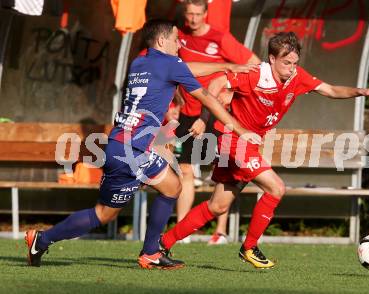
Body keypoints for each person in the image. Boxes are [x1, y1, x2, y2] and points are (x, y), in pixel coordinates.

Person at [24, 19, 261, 270]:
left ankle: (48, 239)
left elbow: (185, 68)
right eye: (175, 39)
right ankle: (144, 252)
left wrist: (225, 65)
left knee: (138, 200)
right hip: (132, 150)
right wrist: (240, 129)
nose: (180, 43)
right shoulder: (171, 64)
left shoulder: (140, 62)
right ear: (162, 41)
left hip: (121, 146)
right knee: (139, 200)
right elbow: (209, 99)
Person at [159, 31, 369, 269]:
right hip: (232, 140)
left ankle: (162, 244)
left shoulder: (297, 77)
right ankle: (249, 248)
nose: (291, 68)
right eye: (286, 63)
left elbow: (329, 90)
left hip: (245, 144)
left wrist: (360, 92)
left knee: (218, 206)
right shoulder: (255, 74)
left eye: (295, 63)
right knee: (276, 188)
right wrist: (204, 118)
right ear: (272, 59)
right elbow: (215, 83)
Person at [175, 0, 261, 245]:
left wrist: (231, 92)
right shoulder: (178, 37)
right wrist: (174, 98)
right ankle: (183, 228)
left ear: (205, 14)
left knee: (221, 172)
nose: (192, 19)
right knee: (185, 170)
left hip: (218, 113)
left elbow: (254, 65)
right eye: (189, 14)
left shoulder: (220, 37)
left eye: (197, 14)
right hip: (188, 113)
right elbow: (169, 69)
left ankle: (220, 231)